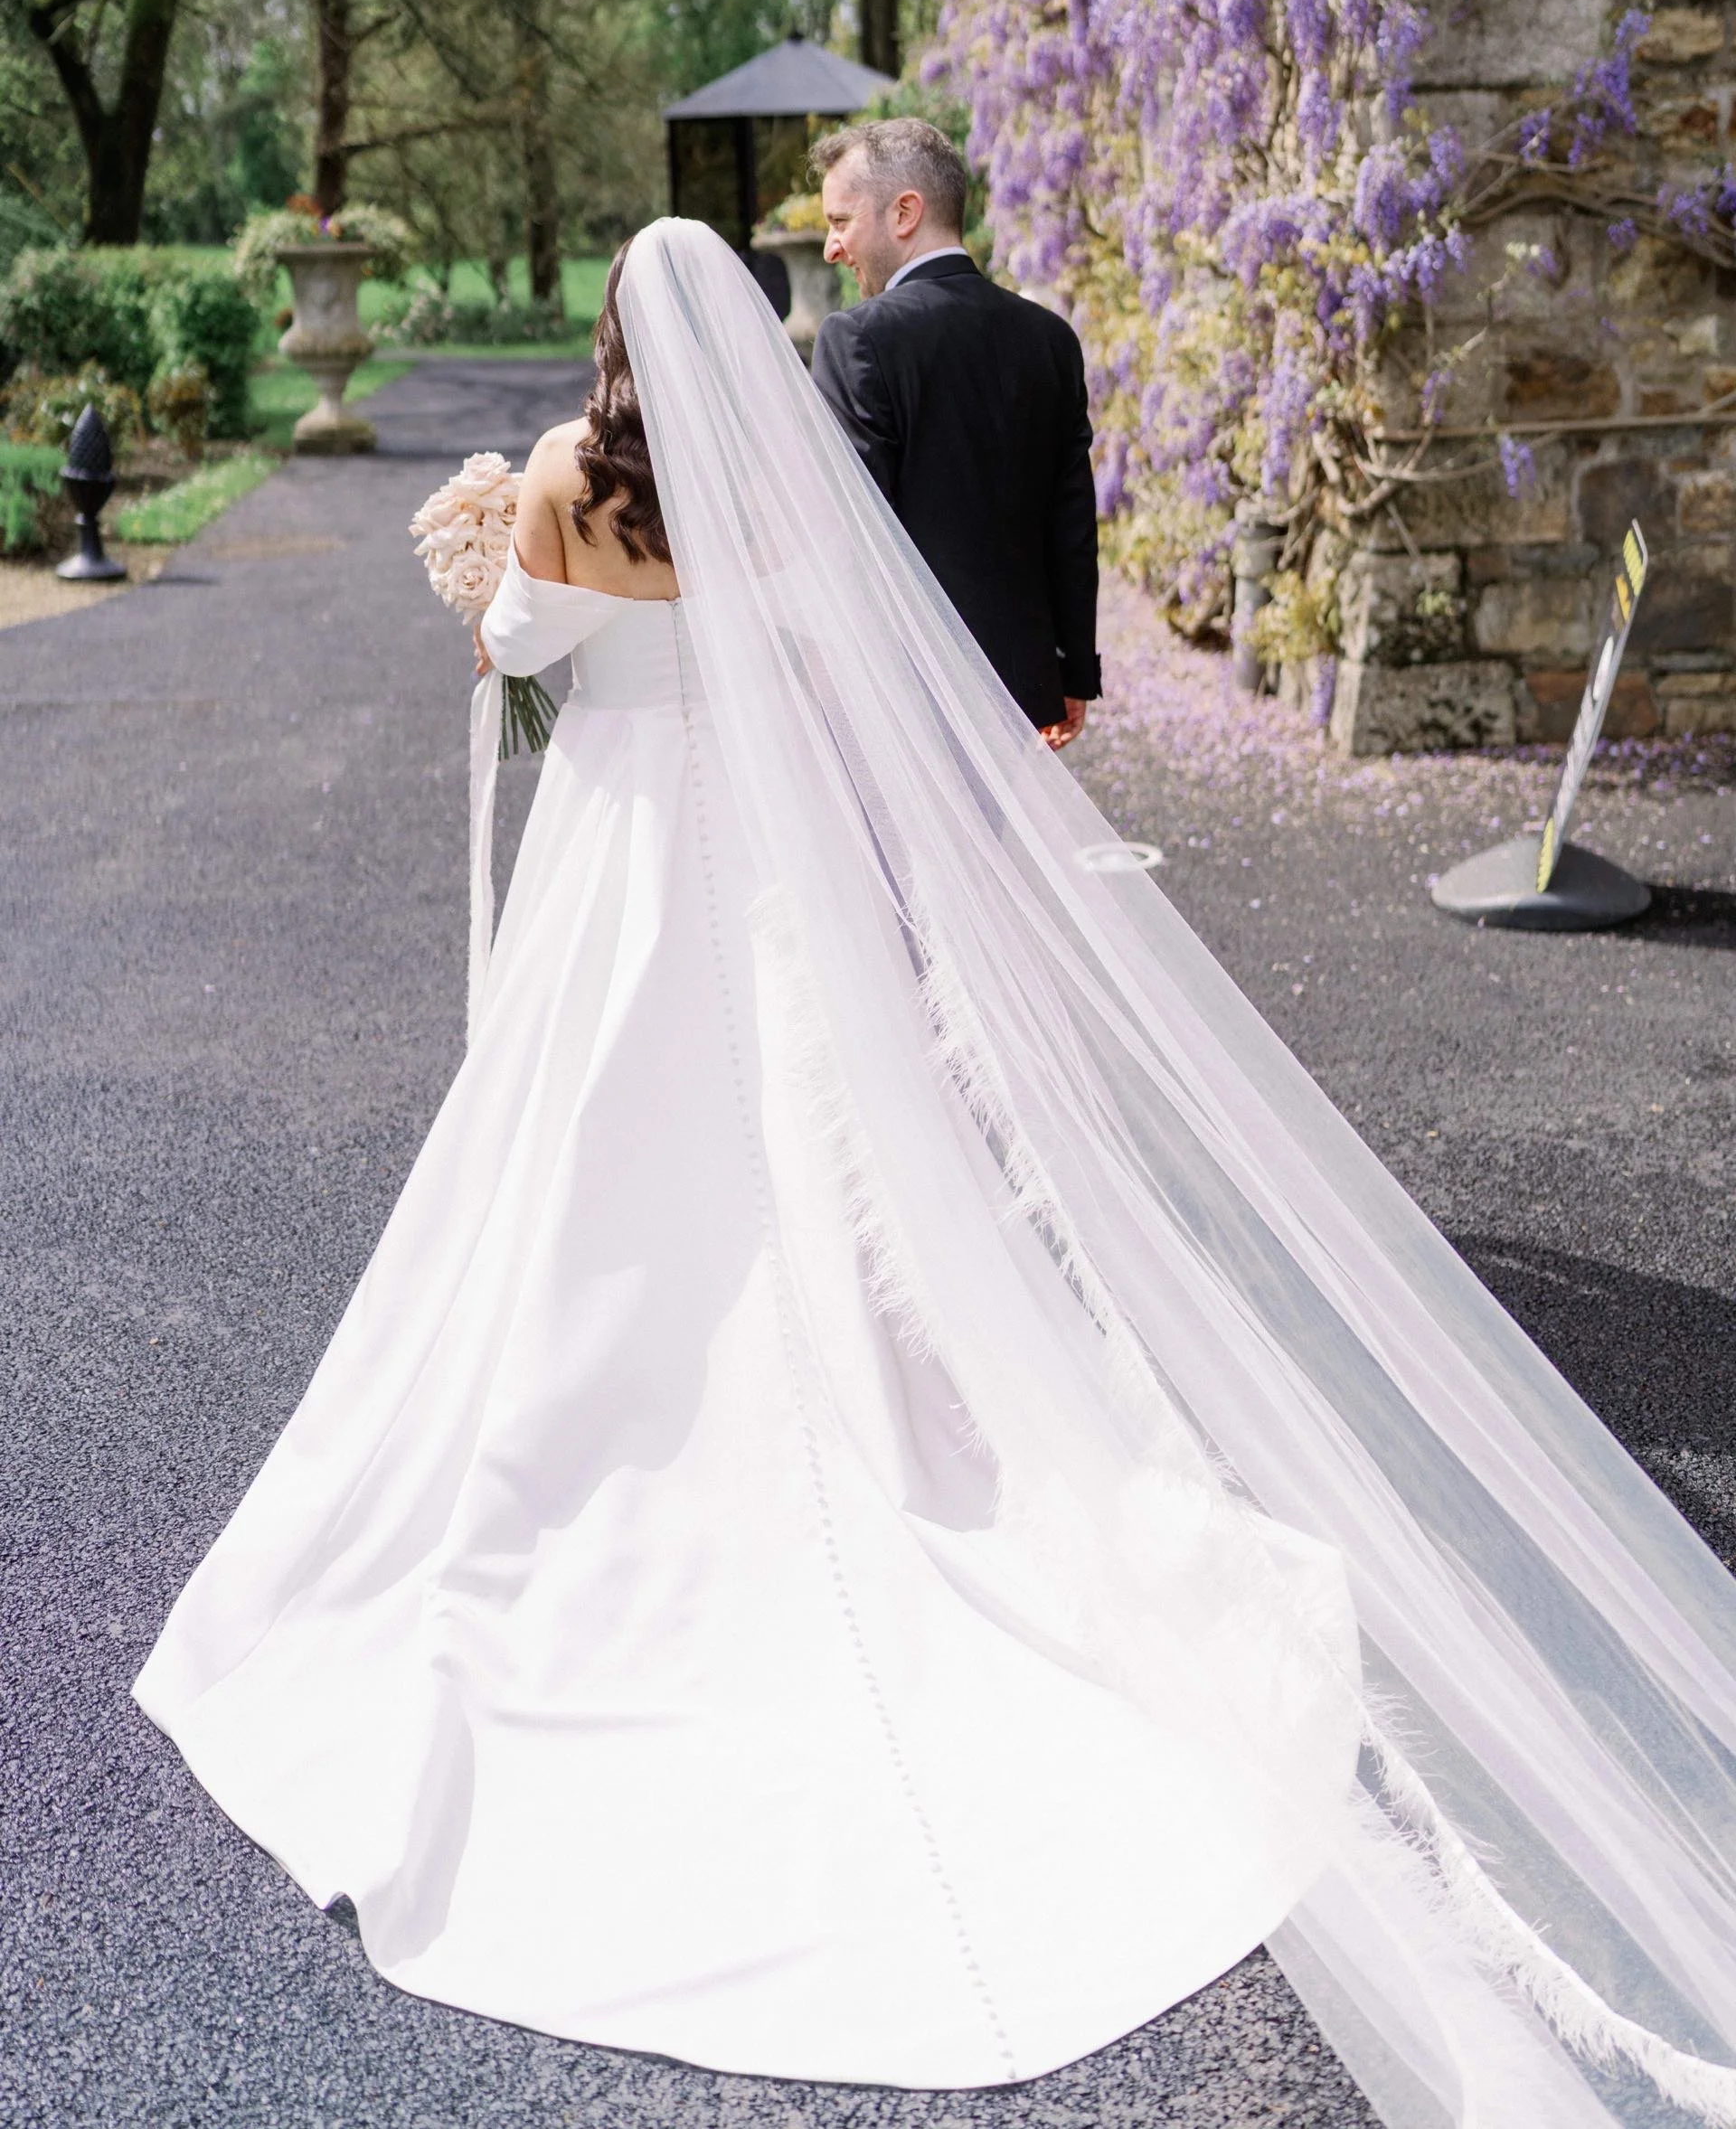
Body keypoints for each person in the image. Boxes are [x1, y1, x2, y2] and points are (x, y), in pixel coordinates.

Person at [136, 221, 1736, 2125]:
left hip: (623, 869)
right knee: (819, 1162)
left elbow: (521, 649)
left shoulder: (568, 477)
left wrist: (485, 561)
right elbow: (818, 667)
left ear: (610, 339)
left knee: (580, 1160)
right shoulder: (784, 496)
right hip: (761, 875)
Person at [809, 119, 1099, 751]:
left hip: (903, 697)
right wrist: (1073, 670)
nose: (832, 247)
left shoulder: (857, 338)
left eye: (840, 221)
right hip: (1019, 691)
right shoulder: (1049, 339)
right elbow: (1071, 522)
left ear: (905, 211)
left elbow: (850, 532)